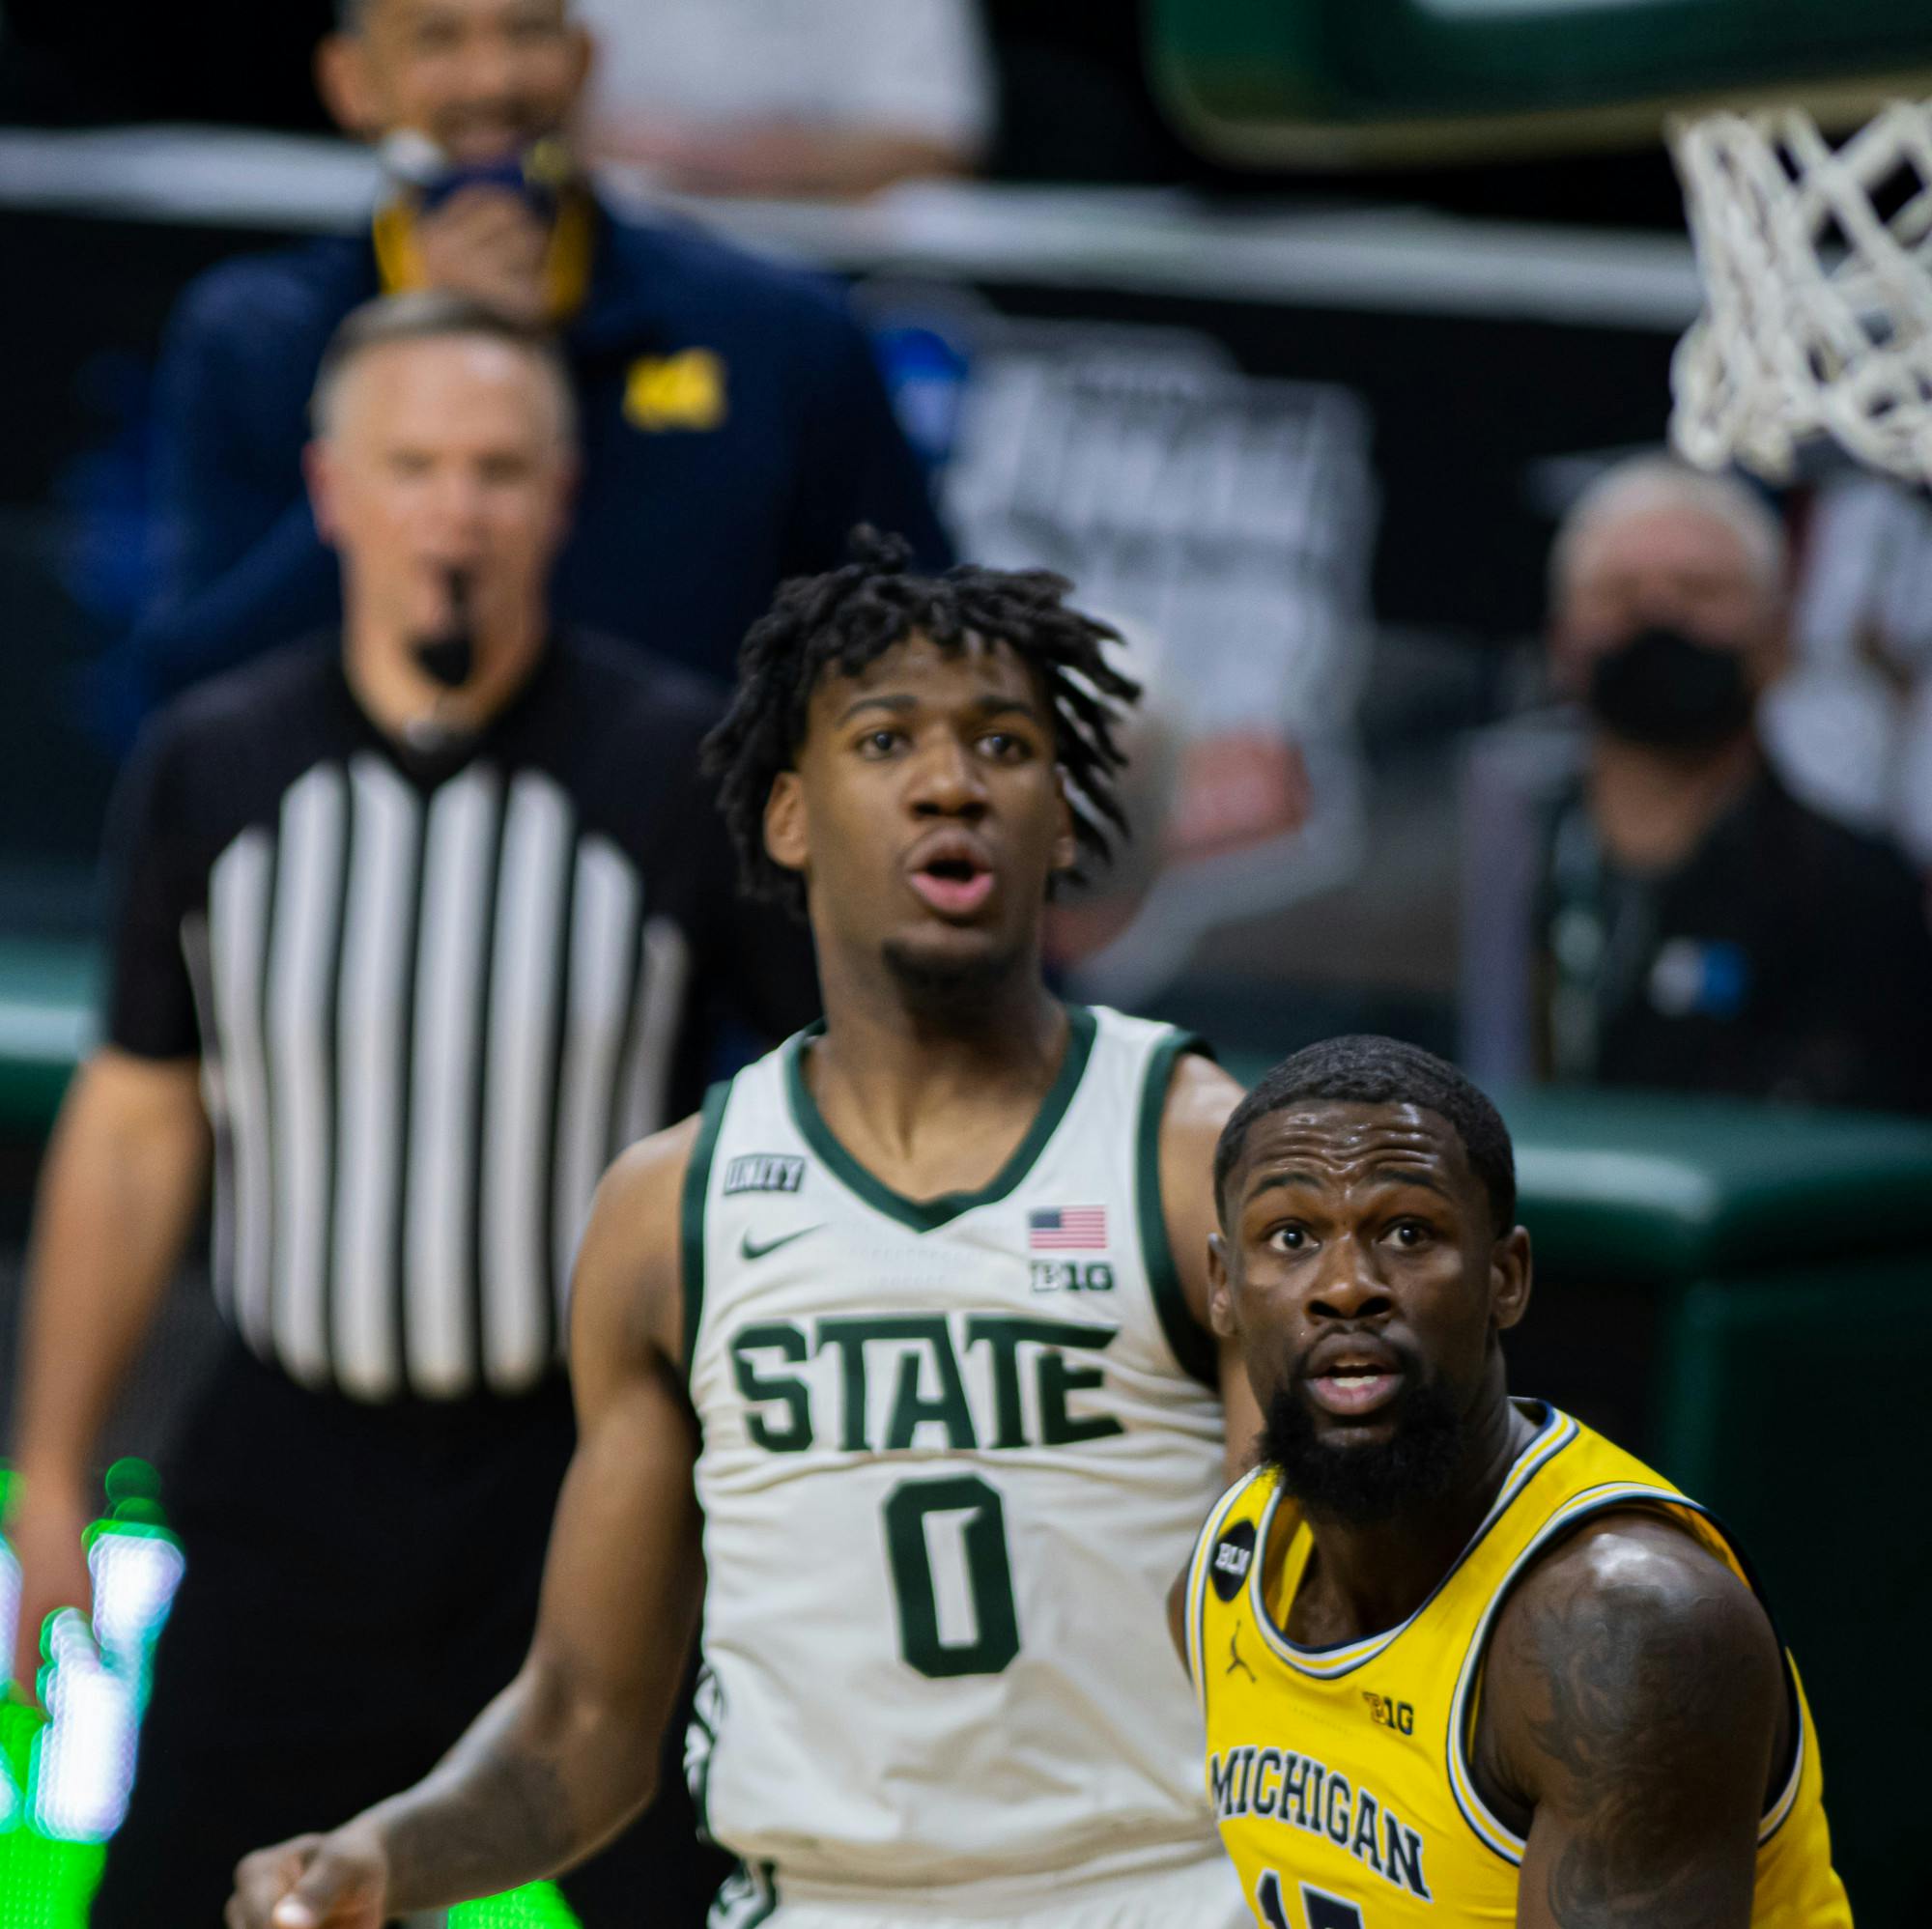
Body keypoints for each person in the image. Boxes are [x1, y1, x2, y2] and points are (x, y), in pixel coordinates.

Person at [228, 537, 1264, 1928]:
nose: (950, 782)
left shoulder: (1203, 1154)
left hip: (1162, 1891)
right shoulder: (675, 1208)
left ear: (1065, 821)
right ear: (787, 816)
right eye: (886, 739)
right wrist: (391, 1855)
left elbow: (1340, 1649)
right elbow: (584, 1723)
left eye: (1006, 744)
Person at [8, 293, 818, 1927]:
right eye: (420, 463)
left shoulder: (678, 770)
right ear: (332, 489)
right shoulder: (211, 766)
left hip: (587, 1474)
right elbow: (137, 1120)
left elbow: (844, 1101)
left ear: (562, 497)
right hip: (288, 1471)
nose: (458, 507)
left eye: (501, 469)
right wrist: (50, 1471)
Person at [1179, 1034, 1851, 1927]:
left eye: (1408, 1232)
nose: (1346, 1286)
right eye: (1293, 1235)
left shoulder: (1624, 1628)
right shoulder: (1225, 1571)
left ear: (1507, 1276)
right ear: (1224, 1285)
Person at [118, 0, 948, 720]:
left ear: (585, 59)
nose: (492, 82)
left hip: (698, 875)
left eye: (526, 32)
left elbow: (920, 656)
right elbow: (191, 687)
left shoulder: (780, 334)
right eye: (437, 40)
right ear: (351, 82)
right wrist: (417, 356)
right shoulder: (255, 336)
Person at [1535, 453, 1932, 1111]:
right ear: (1562, 643)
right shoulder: (1501, 873)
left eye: (1701, 590)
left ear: (1776, 639)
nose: (1659, 613)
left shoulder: (1856, 895)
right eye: (1618, 593)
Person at [574, 0, 995, 198]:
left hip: (833, 275)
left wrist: (719, 160)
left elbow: (936, 144)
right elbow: (528, 109)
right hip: (625, 257)